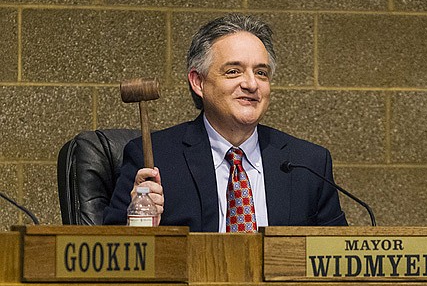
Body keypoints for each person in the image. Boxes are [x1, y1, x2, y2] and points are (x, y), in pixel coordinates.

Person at [103, 13, 347, 231]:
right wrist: (137, 224)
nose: (251, 84)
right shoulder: (154, 158)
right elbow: (112, 256)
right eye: (234, 71)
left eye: (261, 73)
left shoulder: (309, 163)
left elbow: (335, 257)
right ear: (198, 82)